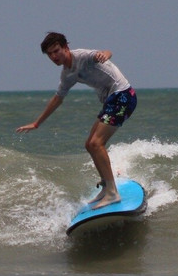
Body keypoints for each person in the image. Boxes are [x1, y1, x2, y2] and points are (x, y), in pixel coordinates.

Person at [16, 32, 137, 209]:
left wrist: (104, 55)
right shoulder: (67, 74)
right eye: (49, 54)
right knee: (89, 144)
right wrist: (37, 123)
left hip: (123, 95)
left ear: (66, 47)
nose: (54, 56)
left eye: (56, 51)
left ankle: (112, 193)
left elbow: (105, 52)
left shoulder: (83, 56)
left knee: (97, 143)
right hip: (111, 100)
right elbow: (58, 98)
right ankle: (106, 186)